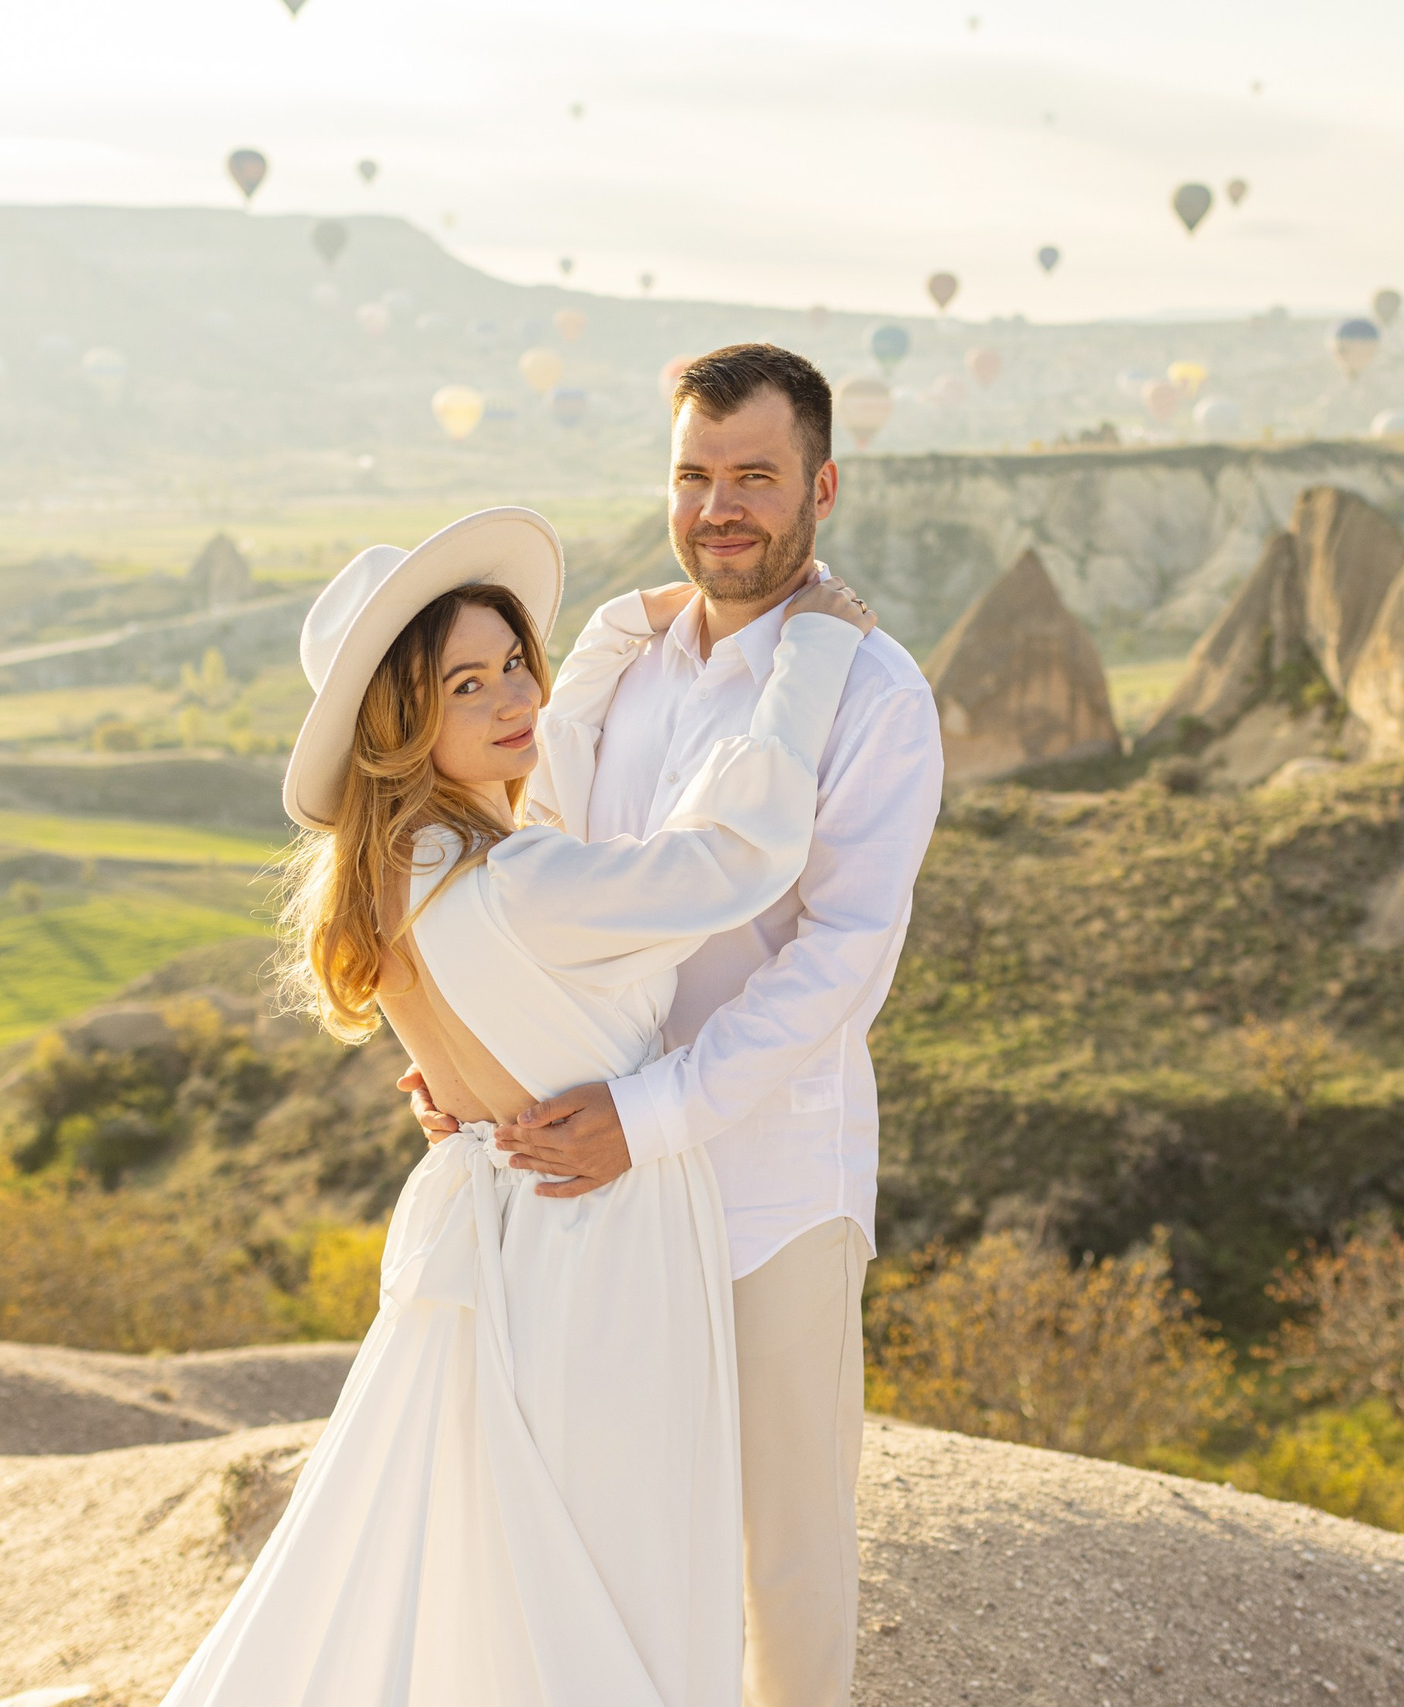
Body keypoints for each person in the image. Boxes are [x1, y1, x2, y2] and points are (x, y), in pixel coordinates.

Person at [156, 502, 880, 1707]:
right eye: (464, 689)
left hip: (487, 1218)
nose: (510, 702)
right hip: (607, 1242)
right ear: (399, 726)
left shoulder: (402, 878)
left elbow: (543, 799)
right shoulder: (524, 882)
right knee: (621, 1571)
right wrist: (813, 652)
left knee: (504, 1559)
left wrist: (600, 640)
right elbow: (739, 858)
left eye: (513, 668)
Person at [410, 344, 946, 1706]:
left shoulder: (876, 697)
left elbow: (840, 961)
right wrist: (467, 1063)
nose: (722, 507)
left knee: (785, 1533)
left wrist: (650, 1118)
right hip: (582, 1173)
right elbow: (526, 885)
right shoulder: (614, 671)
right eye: (695, 476)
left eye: (756, 477)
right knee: (602, 1503)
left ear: (821, 487)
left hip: (762, 1177)